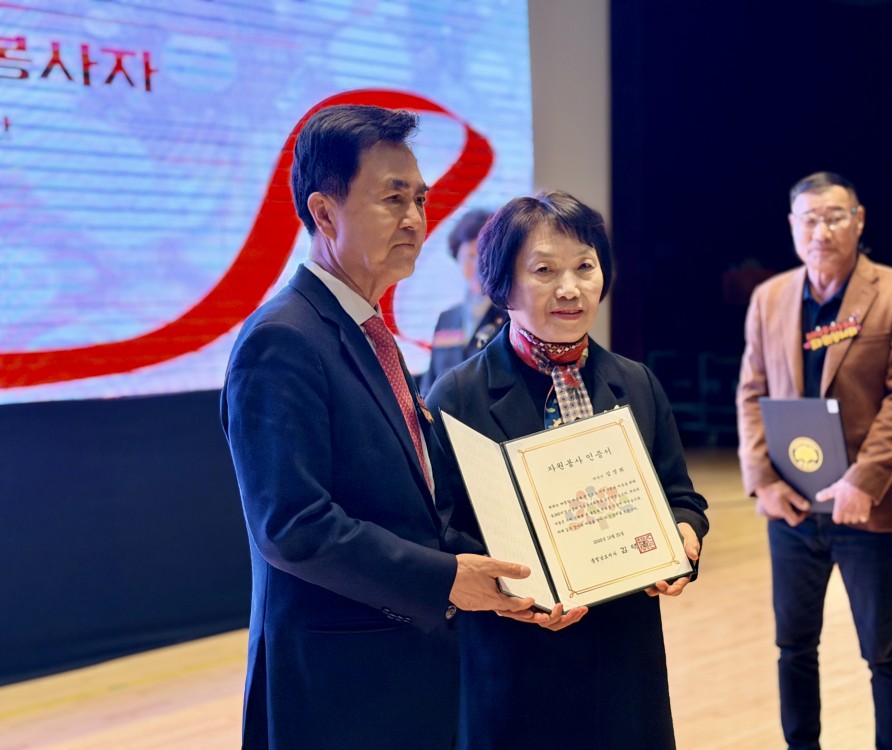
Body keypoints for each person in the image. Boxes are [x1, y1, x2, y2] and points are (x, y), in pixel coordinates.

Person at [220, 104, 539, 750]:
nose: (415, 219)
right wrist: (445, 579)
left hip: (404, 671)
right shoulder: (283, 339)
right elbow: (294, 526)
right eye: (393, 199)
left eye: (420, 199)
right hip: (337, 688)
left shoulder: (367, 330)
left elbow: (408, 502)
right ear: (324, 213)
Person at [426, 190, 709, 749]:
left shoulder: (635, 382)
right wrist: (513, 586)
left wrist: (683, 535)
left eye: (585, 266)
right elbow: (439, 528)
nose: (570, 288)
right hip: (514, 659)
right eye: (544, 270)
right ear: (501, 283)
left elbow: (681, 496)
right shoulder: (457, 396)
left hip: (622, 657)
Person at [735, 171, 892, 750]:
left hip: (865, 507)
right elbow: (751, 391)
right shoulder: (770, 297)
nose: (821, 231)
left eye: (834, 217)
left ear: (859, 220)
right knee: (793, 646)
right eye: (809, 219)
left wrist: (863, 481)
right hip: (791, 505)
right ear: (792, 226)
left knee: (882, 650)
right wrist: (762, 481)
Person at [420, 208, 507, 395]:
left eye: (484, 256)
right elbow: (429, 384)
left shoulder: (510, 315)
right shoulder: (446, 318)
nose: (478, 266)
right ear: (457, 257)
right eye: (470, 256)